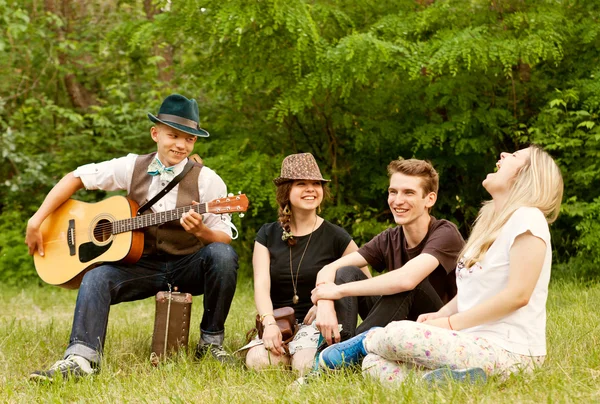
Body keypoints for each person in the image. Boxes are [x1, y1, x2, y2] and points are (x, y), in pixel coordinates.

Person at [25, 94, 239, 381]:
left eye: (188, 139)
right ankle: (81, 358)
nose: (180, 144)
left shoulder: (208, 180)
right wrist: (37, 220)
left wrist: (202, 231)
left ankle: (211, 344)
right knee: (97, 277)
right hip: (141, 265)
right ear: (155, 133)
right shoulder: (131, 166)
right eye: (173, 135)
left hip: (188, 265)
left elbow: (223, 237)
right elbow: (76, 177)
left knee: (223, 256)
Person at [317, 145, 563, 385]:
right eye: (393, 191)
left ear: (527, 176)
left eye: (515, 155)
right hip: (472, 343)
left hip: (510, 352)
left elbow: (518, 295)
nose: (503, 154)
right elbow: (473, 290)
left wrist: (448, 324)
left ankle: (360, 342)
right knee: (373, 363)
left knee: (395, 333)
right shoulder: (490, 224)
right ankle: (447, 382)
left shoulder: (528, 217)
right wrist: (442, 314)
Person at [310, 159, 465, 346]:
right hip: (398, 320)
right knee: (346, 272)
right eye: (393, 192)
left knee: (409, 284)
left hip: (439, 327)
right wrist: (325, 301)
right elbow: (330, 268)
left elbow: (406, 279)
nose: (398, 201)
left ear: (429, 199)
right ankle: (335, 350)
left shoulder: (446, 233)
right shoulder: (390, 237)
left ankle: (346, 353)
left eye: (409, 192)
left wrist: (338, 291)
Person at [243, 153, 362, 374]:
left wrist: (325, 301)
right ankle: (282, 349)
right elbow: (261, 285)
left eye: (316, 184)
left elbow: (362, 279)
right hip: (279, 322)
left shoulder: (336, 236)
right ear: (286, 191)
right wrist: (268, 323)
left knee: (305, 366)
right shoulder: (267, 234)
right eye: (301, 184)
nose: (311, 189)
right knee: (260, 363)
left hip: (318, 325)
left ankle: (305, 355)